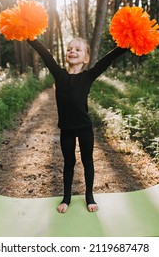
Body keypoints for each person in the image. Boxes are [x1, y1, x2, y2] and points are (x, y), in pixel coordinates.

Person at [27, 37, 127, 213]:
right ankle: (66, 198)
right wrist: (29, 36)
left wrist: (126, 45)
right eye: (70, 49)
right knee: (69, 162)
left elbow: (107, 59)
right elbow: (45, 54)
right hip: (66, 129)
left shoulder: (88, 76)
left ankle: (89, 196)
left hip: (84, 129)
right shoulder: (59, 74)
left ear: (85, 58)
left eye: (78, 50)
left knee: (87, 161)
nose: (72, 51)